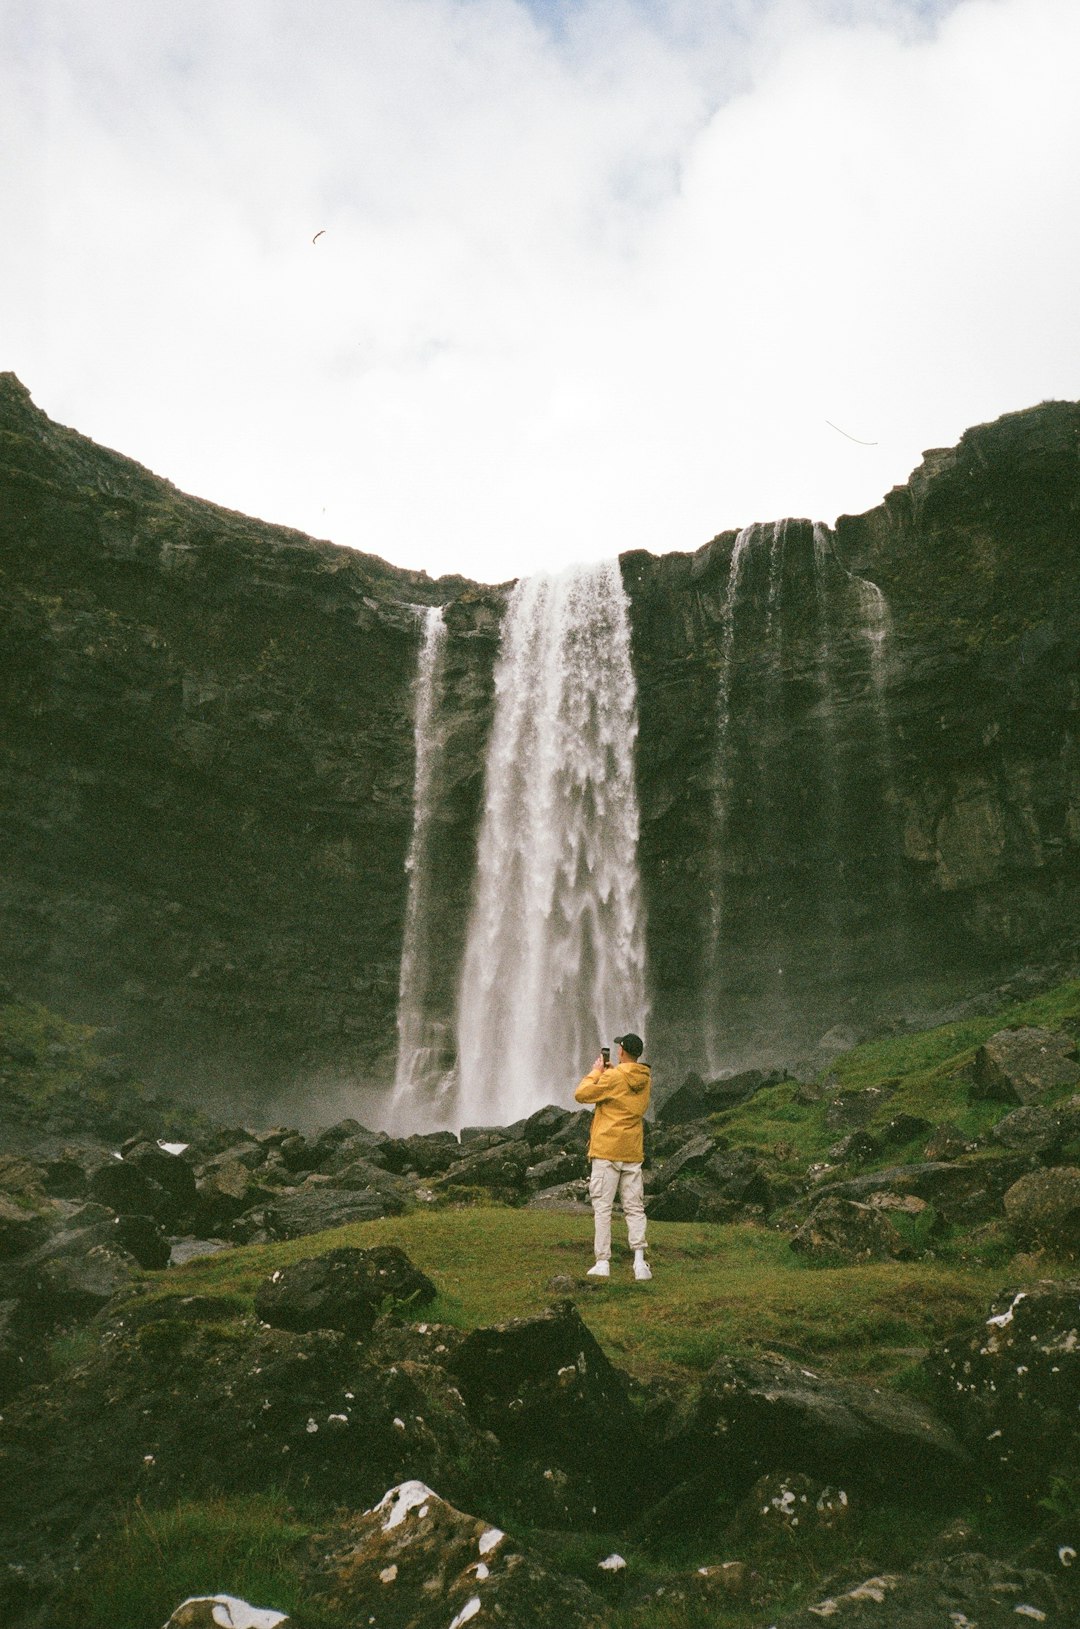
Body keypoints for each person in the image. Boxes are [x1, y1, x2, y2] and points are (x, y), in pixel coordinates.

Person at [574, 1032, 652, 1281]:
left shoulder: (612, 1076)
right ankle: (640, 1264)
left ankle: (602, 1262)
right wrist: (610, 1074)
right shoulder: (645, 1077)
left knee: (603, 1207)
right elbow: (623, 1086)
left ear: (620, 1051)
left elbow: (582, 1094)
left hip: (607, 1150)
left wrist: (597, 1072)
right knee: (634, 1207)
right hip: (631, 1150)